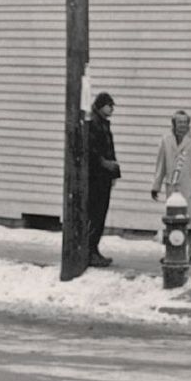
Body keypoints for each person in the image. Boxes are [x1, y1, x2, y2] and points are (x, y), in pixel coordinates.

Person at [151, 109, 191, 265]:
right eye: (179, 122)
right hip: (173, 186)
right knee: (173, 220)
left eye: (185, 122)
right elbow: (161, 164)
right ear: (174, 124)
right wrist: (156, 185)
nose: (182, 125)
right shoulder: (166, 140)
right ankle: (173, 252)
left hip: (190, 185)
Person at [83, 92, 121, 268]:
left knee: (100, 214)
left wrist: (114, 173)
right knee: (95, 214)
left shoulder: (104, 125)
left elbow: (109, 150)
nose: (111, 108)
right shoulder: (94, 126)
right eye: (109, 105)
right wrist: (105, 164)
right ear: (100, 106)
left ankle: (93, 248)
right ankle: (89, 250)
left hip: (104, 177)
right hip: (96, 177)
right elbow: (93, 151)